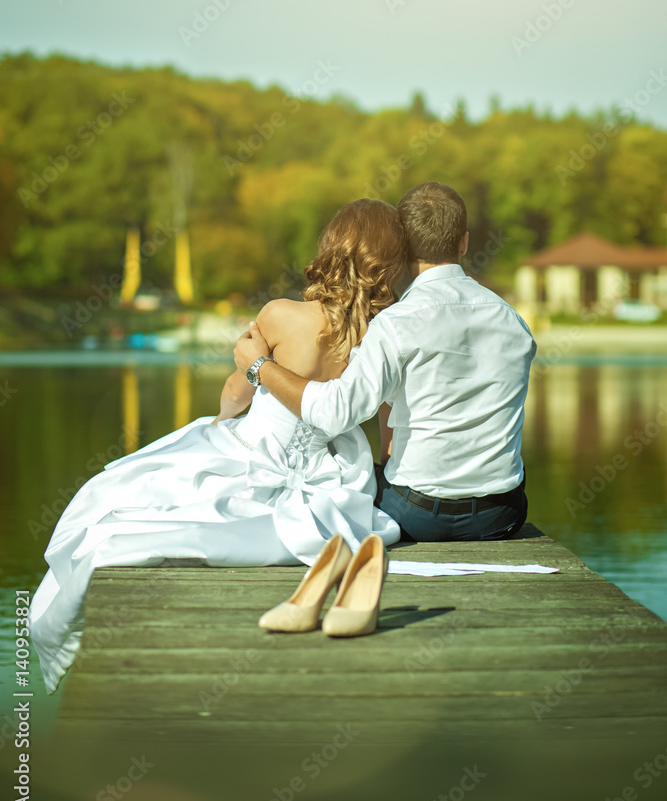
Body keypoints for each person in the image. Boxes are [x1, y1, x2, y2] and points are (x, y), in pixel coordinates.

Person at [29, 199, 405, 694]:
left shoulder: (282, 315)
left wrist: (225, 420)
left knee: (120, 491)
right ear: (389, 264)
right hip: (332, 472)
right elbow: (387, 426)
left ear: (332, 248)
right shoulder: (388, 333)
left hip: (257, 448)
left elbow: (235, 394)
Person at [234, 182, 536, 544]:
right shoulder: (513, 321)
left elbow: (334, 412)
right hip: (501, 516)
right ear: (464, 242)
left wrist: (261, 367)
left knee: (343, 480)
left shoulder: (396, 324)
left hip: (418, 516)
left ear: (404, 247)